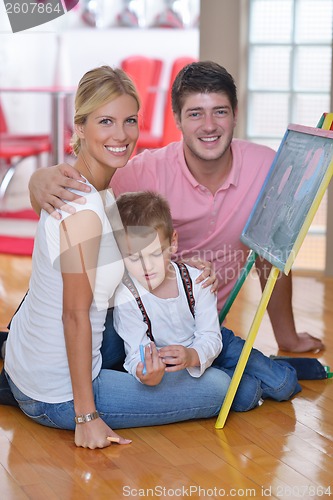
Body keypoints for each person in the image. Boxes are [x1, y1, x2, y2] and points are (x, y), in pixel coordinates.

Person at [3, 66, 231, 449]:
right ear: (79, 126)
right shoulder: (86, 210)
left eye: (129, 121)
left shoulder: (79, 187)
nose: (121, 135)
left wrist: (184, 269)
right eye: (105, 121)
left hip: (25, 361)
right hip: (56, 394)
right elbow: (74, 314)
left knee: (160, 337)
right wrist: (87, 417)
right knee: (220, 388)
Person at [28, 61, 324, 354]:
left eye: (219, 112)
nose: (209, 126)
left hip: (199, 327)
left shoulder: (264, 167)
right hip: (135, 324)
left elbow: (271, 254)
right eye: (195, 114)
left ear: (235, 114)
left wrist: (288, 338)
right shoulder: (143, 171)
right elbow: (78, 201)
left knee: (244, 383)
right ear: (178, 120)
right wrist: (37, 183)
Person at [110, 190, 301, 409]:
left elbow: (210, 336)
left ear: (172, 243)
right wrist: (145, 373)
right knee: (247, 395)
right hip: (178, 364)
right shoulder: (126, 298)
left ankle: (284, 367)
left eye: (155, 253)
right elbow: (135, 354)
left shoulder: (196, 279)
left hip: (217, 344)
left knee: (283, 385)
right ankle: (250, 375)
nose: (147, 267)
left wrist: (192, 355)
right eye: (134, 258)